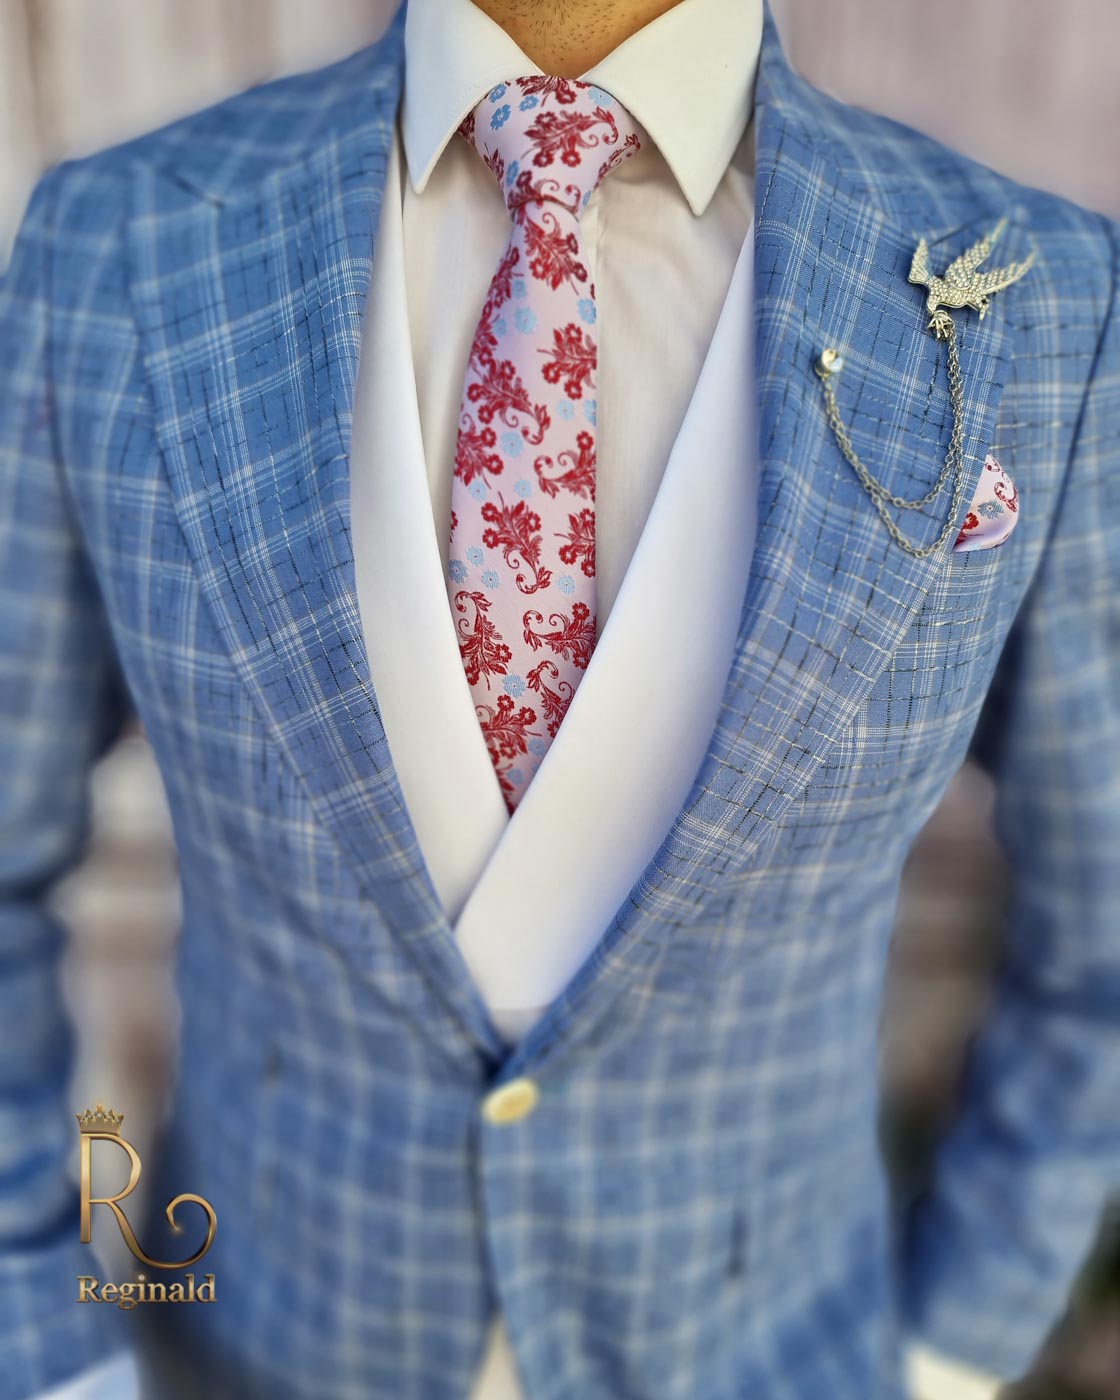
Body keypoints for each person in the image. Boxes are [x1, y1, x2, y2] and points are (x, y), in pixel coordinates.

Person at [1, 0, 1117, 1396]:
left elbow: (1103, 919)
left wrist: (954, 1349)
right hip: (266, 1342)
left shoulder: (1045, 302)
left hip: (767, 1350)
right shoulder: (120, 248)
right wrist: (52, 1346)